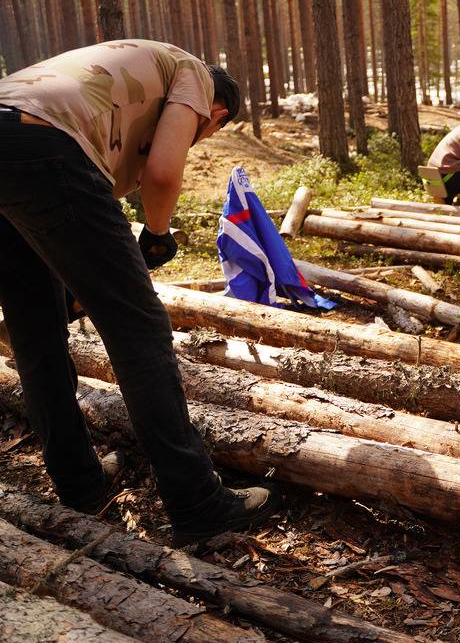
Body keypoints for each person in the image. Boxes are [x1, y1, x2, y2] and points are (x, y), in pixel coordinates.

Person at [0, 40, 282, 545]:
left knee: (36, 329)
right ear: (215, 116)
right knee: (141, 331)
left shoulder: (121, 86)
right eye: (209, 130)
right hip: (43, 146)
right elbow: (163, 172)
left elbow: (70, 214)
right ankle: (197, 503)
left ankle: (79, 485)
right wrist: (156, 235)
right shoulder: (191, 72)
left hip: (11, 135)